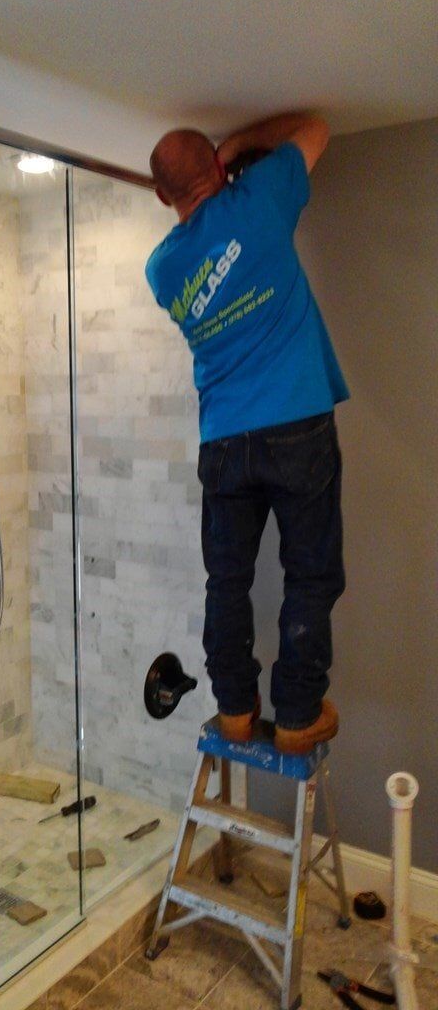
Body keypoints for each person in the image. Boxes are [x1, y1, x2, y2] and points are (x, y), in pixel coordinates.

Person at [145, 113, 349, 754]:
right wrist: (236, 146)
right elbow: (315, 128)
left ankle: (235, 708)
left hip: (225, 441)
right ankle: (296, 715)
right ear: (217, 170)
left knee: (225, 581)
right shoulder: (259, 200)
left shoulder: (162, 269)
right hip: (295, 424)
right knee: (309, 576)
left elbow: (197, 240)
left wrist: (216, 162)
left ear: (161, 195)